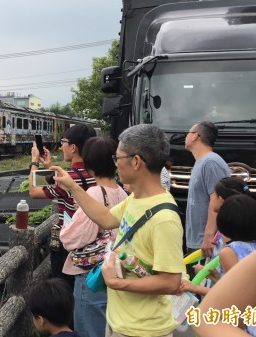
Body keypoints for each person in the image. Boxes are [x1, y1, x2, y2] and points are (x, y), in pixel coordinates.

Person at [50, 124, 183, 337]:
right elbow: (106, 218)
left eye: (118, 158)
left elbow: (170, 281)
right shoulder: (136, 199)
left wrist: (117, 283)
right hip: (120, 321)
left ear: (136, 162)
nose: (115, 164)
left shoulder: (164, 218)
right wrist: (72, 187)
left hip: (143, 329)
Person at [60, 137, 128, 337]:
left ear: (89, 166)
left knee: (89, 329)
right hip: (115, 270)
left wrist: (66, 229)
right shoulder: (122, 193)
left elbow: (73, 238)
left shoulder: (95, 193)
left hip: (92, 275)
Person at [193, 195, 256, 337]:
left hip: (244, 318)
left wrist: (192, 287)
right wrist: (218, 279)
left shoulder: (229, 252)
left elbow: (236, 298)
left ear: (224, 222)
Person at [29, 124, 97, 287]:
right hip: (89, 242)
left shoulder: (69, 178)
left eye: (63, 142)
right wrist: (48, 166)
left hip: (68, 246)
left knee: (64, 288)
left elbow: (33, 191)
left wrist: (34, 161)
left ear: (73, 147)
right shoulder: (93, 173)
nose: (61, 146)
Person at [185, 121, 230, 259]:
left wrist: (209, 237)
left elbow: (218, 199)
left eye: (188, 133)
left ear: (195, 136)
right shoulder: (201, 162)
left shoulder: (211, 162)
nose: (185, 137)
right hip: (197, 240)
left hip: (207, 244)